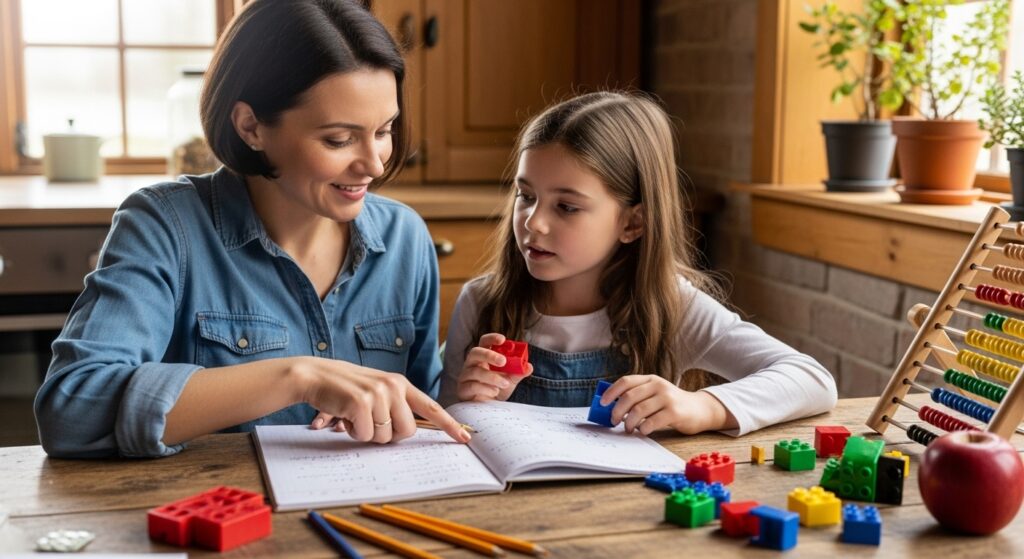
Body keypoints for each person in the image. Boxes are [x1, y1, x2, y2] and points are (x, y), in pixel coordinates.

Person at [34, 0, 470, 459]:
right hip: (218, 517)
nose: (375, 163)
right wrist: (299, 378)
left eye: (384, 130)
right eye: (339, 140)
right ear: (251, 126)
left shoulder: (405, 237)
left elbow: (420, 405)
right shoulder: (164, 225)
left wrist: (467, 390)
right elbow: (73, 409)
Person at [439, 92, 837, 436]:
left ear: (633, 222)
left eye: (566, 206)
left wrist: (701, 407)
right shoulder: (481, 301)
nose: (533, 222)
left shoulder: (674, 308)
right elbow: (451, 426)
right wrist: (474, 404)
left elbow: (813, 379)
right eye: (526, 196)